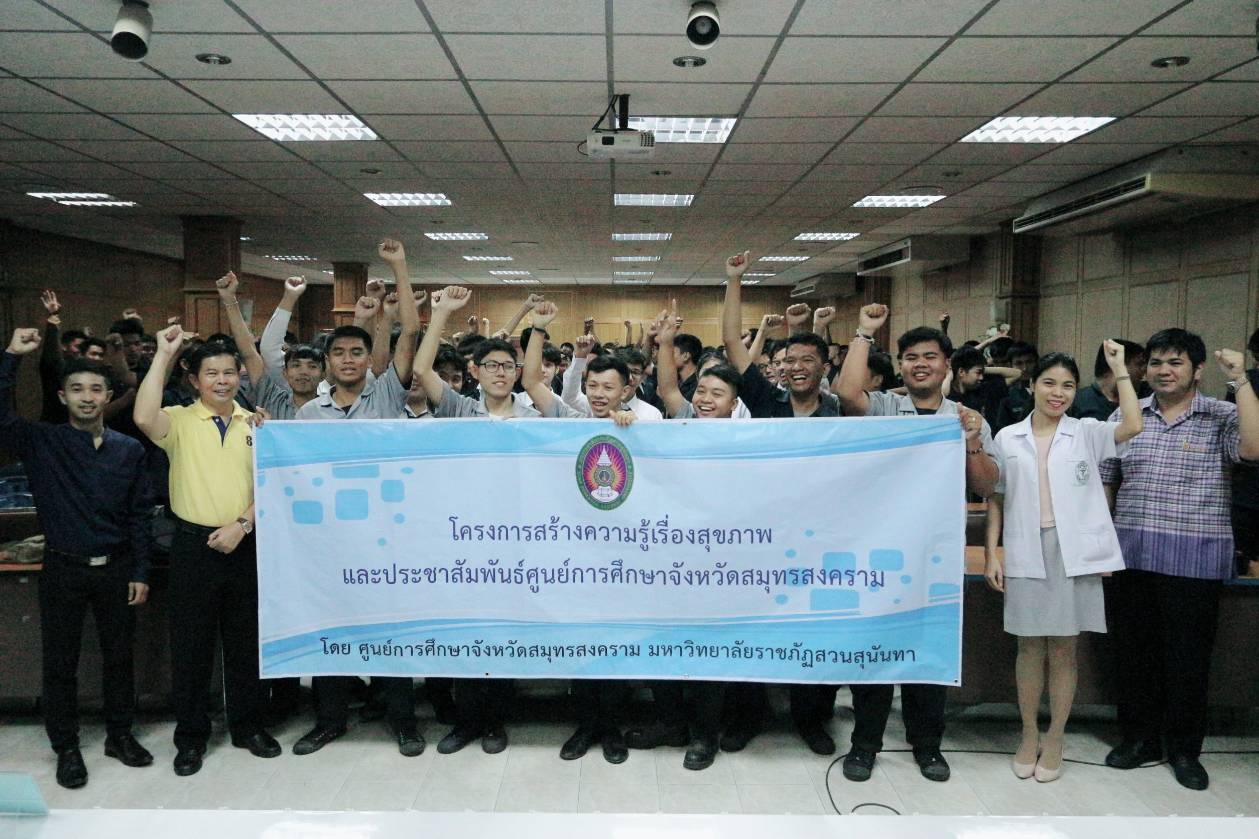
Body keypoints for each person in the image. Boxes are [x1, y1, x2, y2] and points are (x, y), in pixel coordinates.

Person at [835, 302, 998, 784]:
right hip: (880, 552)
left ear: (947, 365)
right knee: (875, 653)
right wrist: (864, 332)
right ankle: (865, 744)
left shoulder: (966, 417)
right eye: (911, 358)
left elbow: (987, 485)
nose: (920, 364)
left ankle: (927, 746)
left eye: (930, 357)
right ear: (901, 366)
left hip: (935, 557)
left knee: (928, 654)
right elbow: (847, 393)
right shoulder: (886, 407)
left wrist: (971, 441)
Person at [1100, 328, 1259, 791]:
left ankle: (1185, 751)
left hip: (1194, 560)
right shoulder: (1127, 413)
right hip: (1133, 555)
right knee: (1134, 657)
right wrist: (1101, 545)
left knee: (1188, 661)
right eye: (1156, 363)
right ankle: (1139, 740)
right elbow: (1108, 481)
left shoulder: (1221, 414)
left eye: (1175, 363)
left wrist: (1241, 380)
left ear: (1197, 370)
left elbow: (1253, 449)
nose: (1164, 371)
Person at [1, 329, 154, 790]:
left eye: (96, 389)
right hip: (63, 568)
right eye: (77, 389)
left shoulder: (129, 450)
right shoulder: (42, 442)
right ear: (62, 396)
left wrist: (141, 571)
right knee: (60, 663)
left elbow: (139, 515)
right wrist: (11, 357)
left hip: (117, 568)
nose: (87, 397)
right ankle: (66, 747)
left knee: (119, 659)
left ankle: (119, 735)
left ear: (108, 396)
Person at [984, 344, 1143, 783]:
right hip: (1025, 547)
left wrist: (1119, 369)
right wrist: (993, 551)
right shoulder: (1007, 437)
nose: (1058, 393)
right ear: (1032, 385)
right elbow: (996, 498)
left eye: (1068, 386)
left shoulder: (1086, 431)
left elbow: (1133, 424)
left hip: (1074, 551)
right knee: (1029, 648)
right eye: (1049, 383)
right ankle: (1028, 733)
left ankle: (1056, 736)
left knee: (1064, 649)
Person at [133, 326, 280, 776]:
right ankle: (191, 737)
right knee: (191, 647)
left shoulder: (256, 424)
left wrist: (243, 524)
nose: (222, 380)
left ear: (240, 376)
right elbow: (142, 416)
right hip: (192, 547)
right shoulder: (178, 420)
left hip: (245, 542)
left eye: (229, 372)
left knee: (246, 643)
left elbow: (272, 483)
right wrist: (163, 354)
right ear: (194, 380)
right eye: (211, 373)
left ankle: (248, 726)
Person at [720, 252, 841, 755]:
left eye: (807, 361)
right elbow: (733, 342)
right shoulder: (766, 402)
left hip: (818, 543)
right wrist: (735, 280)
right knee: (753, 628)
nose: (795, 368)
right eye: (789, 361)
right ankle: (749, 716)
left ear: (823, 367)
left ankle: (811, 720)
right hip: (762, 541)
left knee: (813, 632)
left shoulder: (840, 414)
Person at [523, 300, 637, 765]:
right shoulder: (569, 422)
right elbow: (532, 382)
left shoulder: (644, 427)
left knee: (616, 646)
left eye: (609, 387)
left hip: (625, 560)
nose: (599, 394)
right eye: (592, 385)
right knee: (581, 645)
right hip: (572, 556)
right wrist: (539, 329)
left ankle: (612, 729)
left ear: (626, 389)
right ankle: (585, 726)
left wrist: (629, 430)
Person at [1069, 340, 1148, 421]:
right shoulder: (1077, 400)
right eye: (1139, 364)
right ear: (1116, 363)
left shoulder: (1146, 395)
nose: (1145, 370)